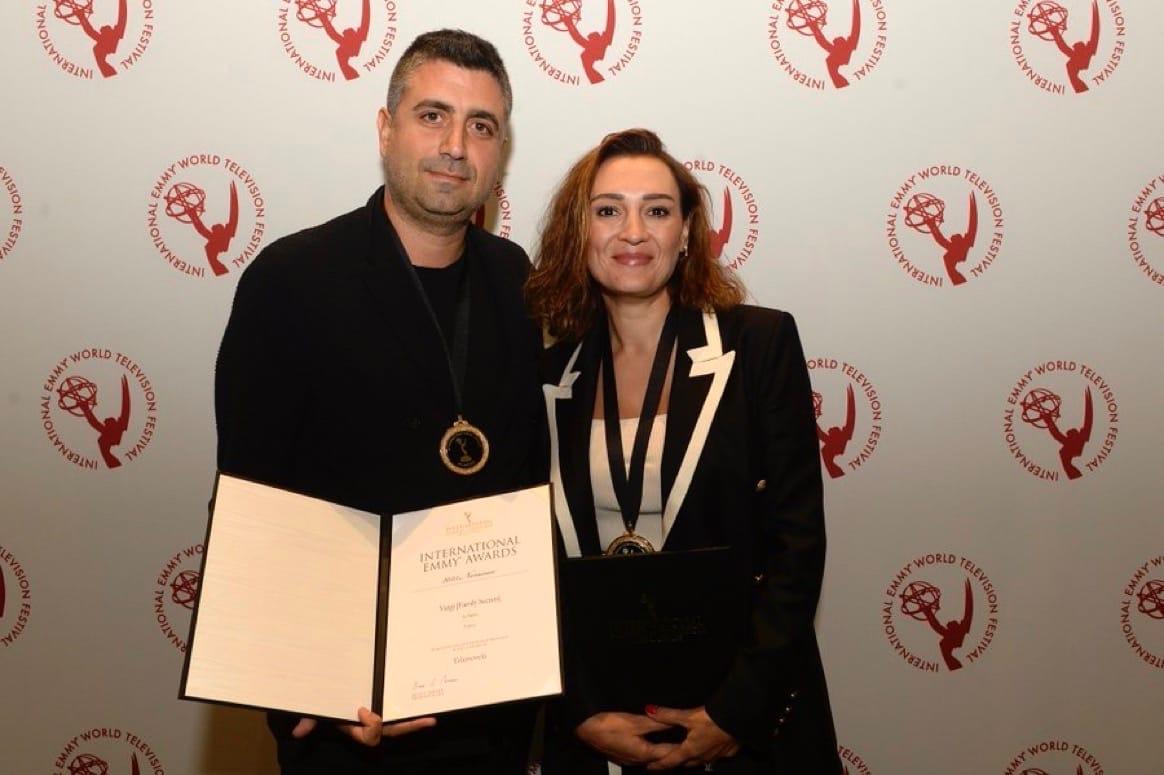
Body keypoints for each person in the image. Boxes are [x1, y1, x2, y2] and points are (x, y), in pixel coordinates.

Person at [214, 29, 545, 775]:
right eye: (432, 116)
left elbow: (529, 481)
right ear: (385, 127)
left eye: (481, 126)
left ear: (500, 151)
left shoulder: (516, 281)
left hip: (488, 706)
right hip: (343, 717)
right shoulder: (292, 279)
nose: (455, 146)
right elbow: (251, 504)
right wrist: (307, 687)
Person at [527, 129, 841, 773]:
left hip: (741, 722)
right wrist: (580, 711)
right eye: (608, 210)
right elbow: (533, 565)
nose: (633, 232)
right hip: (601, 722)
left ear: (688, 232)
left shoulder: (759, 345)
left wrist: (734, 714)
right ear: (578, 232)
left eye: (657, 210)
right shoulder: (547, 375)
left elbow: (797, 544)